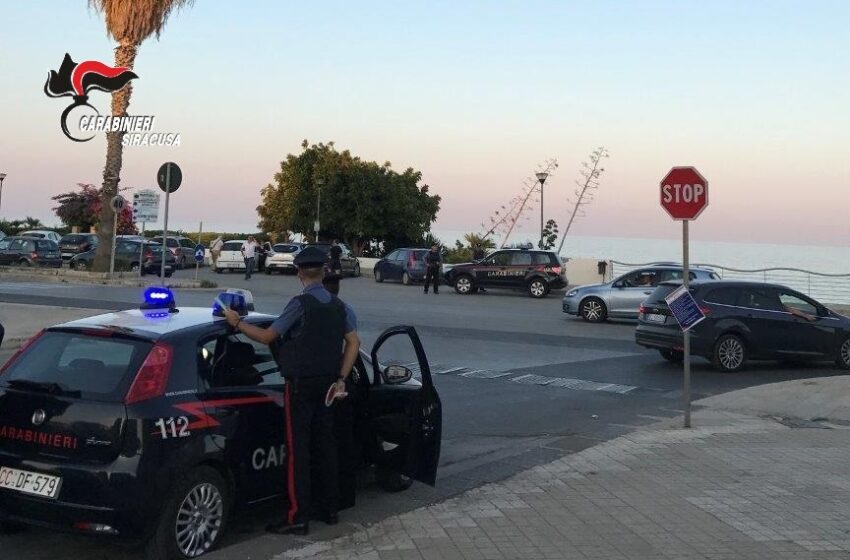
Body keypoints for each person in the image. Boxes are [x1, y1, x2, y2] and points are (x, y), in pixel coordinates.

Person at [222, 247, 360, 535]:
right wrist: (341, 378)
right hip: (328, 386)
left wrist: (237, 322)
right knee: (326, 446)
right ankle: (330, 509)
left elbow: (267, 336)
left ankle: (298, 517)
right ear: (323, 272)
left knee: (299, 451)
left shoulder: (300, 304)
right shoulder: (340, 306)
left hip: (300, 386)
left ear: (299, 273)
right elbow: (354, 343)